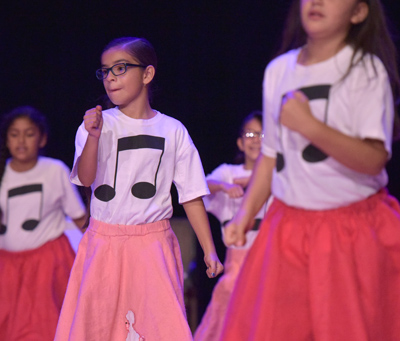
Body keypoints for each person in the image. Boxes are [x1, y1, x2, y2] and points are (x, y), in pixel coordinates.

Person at [221, 0, 400, 340]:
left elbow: (374, 157)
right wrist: (244, 214)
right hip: (289, 228)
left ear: (358, 12)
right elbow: (271, 156)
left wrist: (310, 126)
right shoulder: (279, 70)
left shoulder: (365, 70)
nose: (316, 2)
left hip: (350, 231)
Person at [54, 37, 223, 341]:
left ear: (147, 74)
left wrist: (210, 249)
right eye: (105, 71)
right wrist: (93, 137)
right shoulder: (96, 123)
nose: (111, 78)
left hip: (152, 244)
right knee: (99, 326)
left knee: (158, 326)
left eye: (120, 68)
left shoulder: (173, 130)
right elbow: (87, 178)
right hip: (104, 242)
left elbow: (191, 196)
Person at [0, 106, 87, 341]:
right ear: (6, 139)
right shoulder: (3, 174)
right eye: (14, 134)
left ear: (42, 138)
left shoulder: (54, 171)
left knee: (44, 329)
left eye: (29, 134)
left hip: (47, 264)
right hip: (7, 267)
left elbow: (80, 218)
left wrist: (97, 256)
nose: (21, 140)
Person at [194, 111, 270, 341]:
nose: (256, 139)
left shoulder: (277, 176)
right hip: (237, 262)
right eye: (250, 133)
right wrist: (225, 187)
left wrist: (260, 183)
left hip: (269, 256)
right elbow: (201, 185)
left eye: (262, 134)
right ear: (240, 142)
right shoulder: (229, 172)